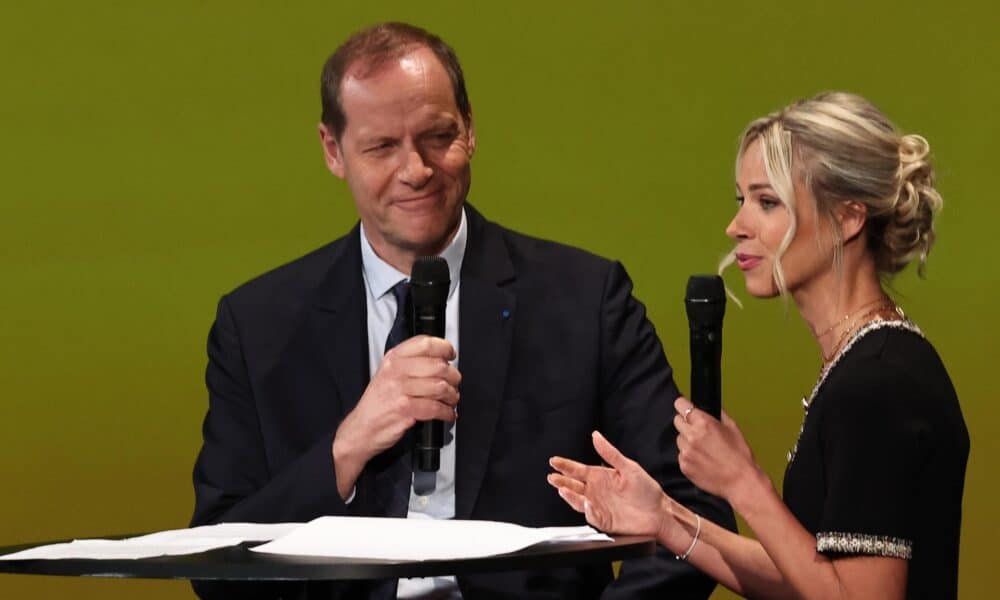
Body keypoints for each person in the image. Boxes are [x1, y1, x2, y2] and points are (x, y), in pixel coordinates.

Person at [190, 22, 734, 599]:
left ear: (470, 131)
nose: (416, 170)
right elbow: (216, 566)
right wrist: (345, 450)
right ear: (333, 150)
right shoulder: (258, 326)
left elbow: (696, 515)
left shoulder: (583, 299)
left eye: (437, 136)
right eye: (381, 147)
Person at [549, 92, 969, 600]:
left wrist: (743, 482)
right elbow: (811, 580)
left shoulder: (877, 384)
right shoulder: (863, 365)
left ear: (848, 218)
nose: (736, 226)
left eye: (767, 202)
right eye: (741, 200)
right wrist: (666, 518)